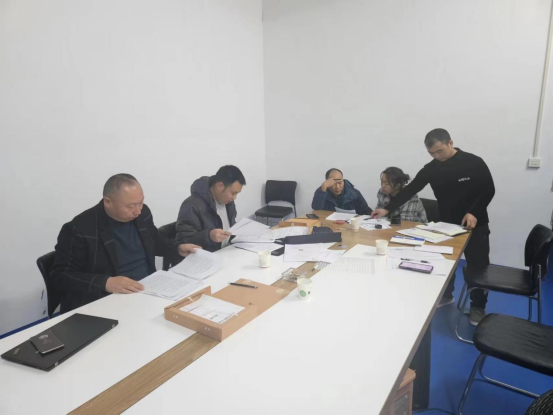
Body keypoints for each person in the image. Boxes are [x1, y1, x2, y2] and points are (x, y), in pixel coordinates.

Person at [372, 128, 495, 325]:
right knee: (445, 262)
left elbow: (489, 190)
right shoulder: (432, 168)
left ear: (450, 143)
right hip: (446, 224)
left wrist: (474, 211)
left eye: (440, 151)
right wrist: (387, 209)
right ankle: (446, 296)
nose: (437, 156)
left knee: (477, 266)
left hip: (475, 223)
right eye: (432, 153)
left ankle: (478, 306)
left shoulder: (473, 162)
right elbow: (410, 189)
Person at [51, 174, 199, 313]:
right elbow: (60, 276)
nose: (137, 211)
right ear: (108, 202)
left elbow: (153, 240)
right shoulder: (80, 228)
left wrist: (177, 248)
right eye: (131, 206)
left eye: (141, 203)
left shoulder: (143, 213)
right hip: (108, 299)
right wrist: (106, 282)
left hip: (149, 289)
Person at [176, 165, 245, 252]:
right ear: (220, 186)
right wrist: (209, 236)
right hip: (208, 256)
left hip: (227, 251)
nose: (234, 198)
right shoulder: (191, 205)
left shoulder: (228, 203)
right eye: (233, 193)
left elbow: (229, 228)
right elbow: (184, 243)